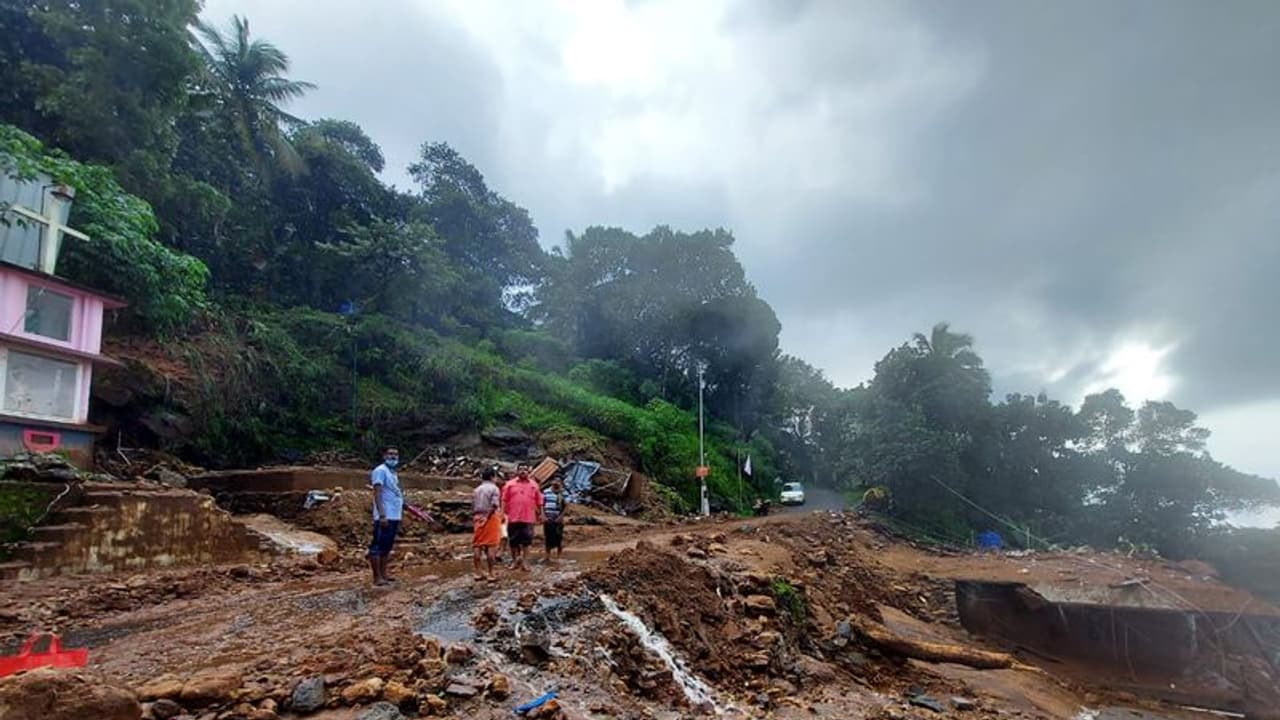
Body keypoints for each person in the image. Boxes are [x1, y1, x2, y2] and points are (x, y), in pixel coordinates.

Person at [368, 447, 403, 586]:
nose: (393, 456)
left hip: (394, 515)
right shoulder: (380, 471)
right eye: (390, 454)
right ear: (384, 456)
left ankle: (384, 574)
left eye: (396, 454)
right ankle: (377, 577)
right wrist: (382, 515)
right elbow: (377, 493)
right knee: (377, 546)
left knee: (387, 546)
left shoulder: (392, 473)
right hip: (385, 515)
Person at [500, 463, 543, 572]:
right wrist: (502, 513)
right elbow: (504, 499)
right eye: (520, 469)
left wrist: (541, 514)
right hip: (513, 517)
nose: (523, 471)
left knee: (527, 542)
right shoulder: (510, 484)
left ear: (528, 472)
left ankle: (525, 562)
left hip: (528, 518)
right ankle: (515, 561)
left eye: (525, 469)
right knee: (513, 541)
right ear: (517, 471)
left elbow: (539, 501)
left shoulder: (534, 485)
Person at [472, 467, 503, 581]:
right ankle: (491, 573)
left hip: (477, 517)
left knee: (477, 544)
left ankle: (478, 572)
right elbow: (494, 505)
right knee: (491, 545)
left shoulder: (477, 490)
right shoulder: (494, 488)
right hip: (490, 517)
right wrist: (487, 517)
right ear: (492, 477)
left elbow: (473, 505)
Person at [542, 479, 567, 563]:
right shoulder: (546, 492)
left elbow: (566, 506)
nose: (556, 483)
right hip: (548, 518)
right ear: (551, 482)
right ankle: (547, 556)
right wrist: (543, 515)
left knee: (559, 537)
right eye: (555, 481)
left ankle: (559, 556)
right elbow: (542, 504)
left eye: (558, 482)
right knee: (547, 537)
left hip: (558, 519)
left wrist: (561, 517)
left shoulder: (563, 493)